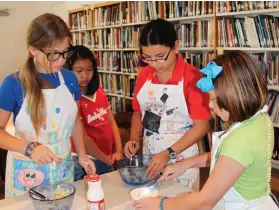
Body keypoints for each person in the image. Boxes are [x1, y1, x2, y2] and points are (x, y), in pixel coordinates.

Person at [135, 51, 279, 210]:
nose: (210, 105)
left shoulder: (241, 140)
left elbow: (205, 201)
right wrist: (186, 164)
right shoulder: (258, 119)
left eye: (212, 99)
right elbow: (225, 159)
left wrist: (161, 204)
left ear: (233, 96)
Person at [0, 13, 95, 198]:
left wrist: (82, 155)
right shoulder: (13, 84)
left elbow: (74, 120)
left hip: (62, 169)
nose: (61, 60)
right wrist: (29, 148)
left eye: (65, 51)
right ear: (33, 49)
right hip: (27, 173)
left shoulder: (69, 79)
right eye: (53, 54)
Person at [124, 19, 210, 190]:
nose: (154, 64)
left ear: (176, 47)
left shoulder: (193, 78)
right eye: (147, 58)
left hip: (181, 158)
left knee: (180, 201)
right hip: (151, 153)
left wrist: (169, 152)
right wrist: (134, 138)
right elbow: (137, 113)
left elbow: (201, 126)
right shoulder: (144, 76)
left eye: (160, 57)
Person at [65, 45, 123, 180]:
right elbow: (83, 138)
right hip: (85, 161)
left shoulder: (99, 92)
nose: (85, 75)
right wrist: (106, 160)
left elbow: (112, 123)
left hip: (107, 157)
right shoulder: (72, 98)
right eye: (79, 71)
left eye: (89, 70)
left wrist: (118, 151)